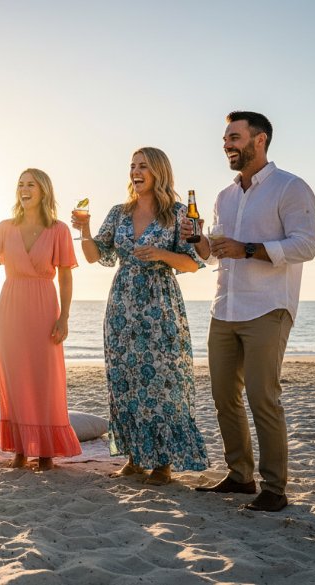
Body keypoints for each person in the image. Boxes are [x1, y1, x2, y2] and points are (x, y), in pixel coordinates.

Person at [184, 111, 315, 512]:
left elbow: (305, 245)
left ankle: (275, 488)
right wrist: (199, 242)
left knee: (263, 396)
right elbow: (215, 256)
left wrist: (247, 248)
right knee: (225, 396)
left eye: (235, 137)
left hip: (268, 306)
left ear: (259, 140)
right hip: (224, 307)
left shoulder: (290, 188)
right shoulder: (225, 196)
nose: (227, 144)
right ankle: (241, 477)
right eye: (226, 138)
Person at [72, 147, 209, 486]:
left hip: (160, 302)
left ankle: (163, 463)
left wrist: (162, 254)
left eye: (143, 165)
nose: (135, 171)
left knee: (163, 381)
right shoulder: (119, 213)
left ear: (158, 172)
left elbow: (194, 262)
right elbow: (94, 256)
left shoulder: (177, 214)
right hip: (122, 304)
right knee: (125, 378)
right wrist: (85, 230)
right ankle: (134, 457)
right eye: (132, 165)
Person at [0, 168, 82, 471]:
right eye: (20, 184)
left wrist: (64, 318)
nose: (24, 189)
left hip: (45, 307)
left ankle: (45, 453)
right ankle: (19, 449)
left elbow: (66, 279)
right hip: (11, 309)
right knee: (15, 377)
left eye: (30, 184)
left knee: (45, 378)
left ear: (43, 190)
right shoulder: (6, 227)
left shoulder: (58, 230)